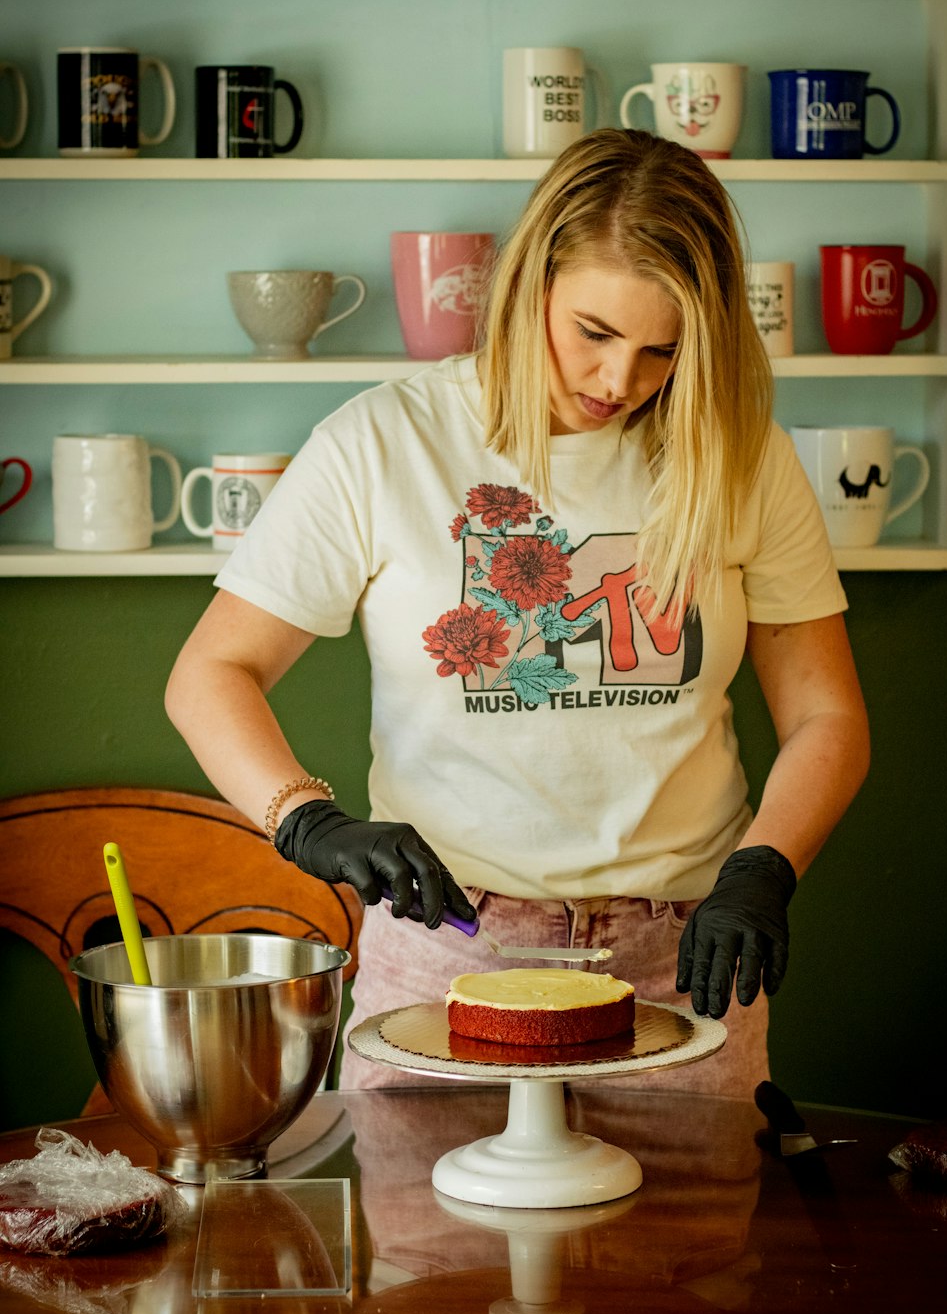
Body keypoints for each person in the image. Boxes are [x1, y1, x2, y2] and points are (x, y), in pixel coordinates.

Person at [165, 128, 869, 1098]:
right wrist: (307, 821)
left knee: (697, 1253)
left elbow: (826, 716)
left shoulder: (742, 454)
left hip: (685, 954)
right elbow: (210, 674)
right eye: (593, 332)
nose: (620, 381)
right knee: (438, 1255)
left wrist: (764, 869)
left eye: (663, 350)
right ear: (529, 279)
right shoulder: (385, 441)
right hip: (452, 951)